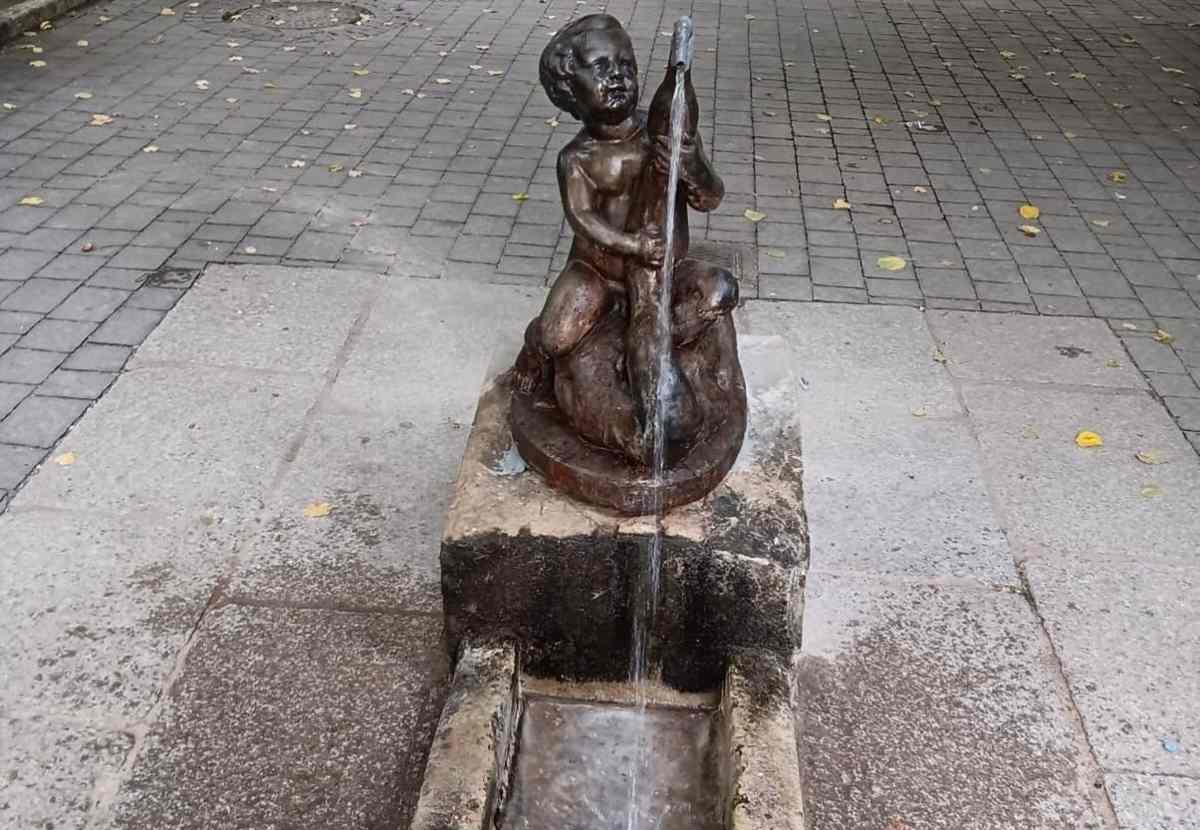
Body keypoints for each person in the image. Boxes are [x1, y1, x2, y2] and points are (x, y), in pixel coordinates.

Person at [513, 13, 736, 463]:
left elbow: (710, 197)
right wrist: (633, 246)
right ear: (569, 91)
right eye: (600, 69)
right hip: (598, 272)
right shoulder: (577, 157)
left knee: (720, 289)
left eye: (626, 65)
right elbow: (583, 220)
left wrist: (691, 165)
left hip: (659, 272)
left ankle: (661, 348)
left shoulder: (664, 134)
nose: (618, 77)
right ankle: (533, 353)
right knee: (558, 334)